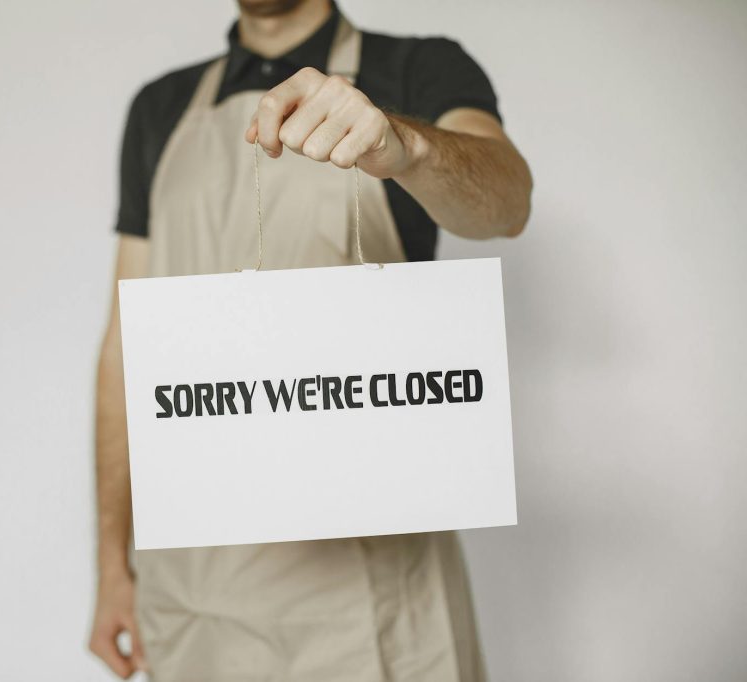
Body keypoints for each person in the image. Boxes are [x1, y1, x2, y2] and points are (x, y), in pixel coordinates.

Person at [89, 1, 532, 679]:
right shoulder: (161, 107)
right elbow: (127, 349)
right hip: (197, 604)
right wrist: (112, 567)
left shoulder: (417, 68)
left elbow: (505, 204)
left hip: (376, 610)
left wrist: (405, 147)